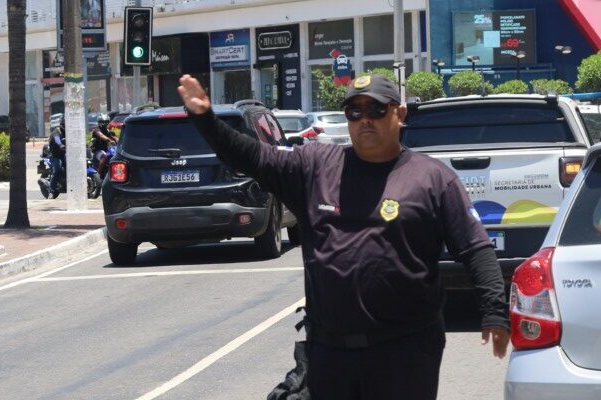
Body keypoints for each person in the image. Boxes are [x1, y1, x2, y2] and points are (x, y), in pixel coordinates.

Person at [178, 74, 510, 399]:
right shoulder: (316, 166)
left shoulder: (433, 179)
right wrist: (205, 119)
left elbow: (475, 248)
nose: (365, 120)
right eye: (355, 112)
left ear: (400, 113)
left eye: (377, 110)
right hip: (330, 354)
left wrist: (493, 311)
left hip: (406, 351)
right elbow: (252, 156)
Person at [48, 116, 66, 197]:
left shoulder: (68, 131)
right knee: (57, 170)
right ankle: (51, 191)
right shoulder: (57, 130)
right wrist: (60, 145)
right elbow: (56, 138)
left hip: (64, 154)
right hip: (55, 155)